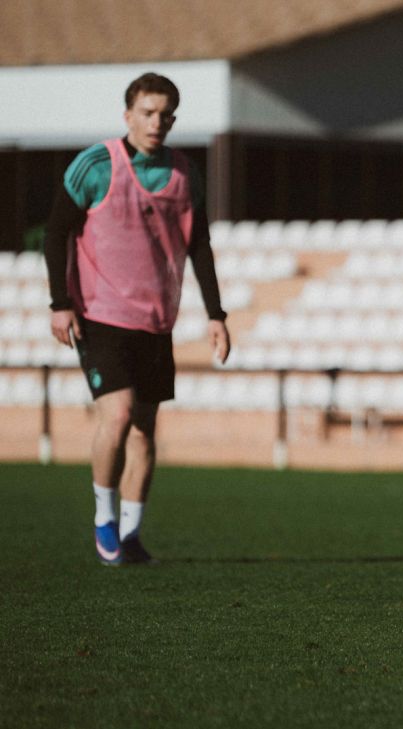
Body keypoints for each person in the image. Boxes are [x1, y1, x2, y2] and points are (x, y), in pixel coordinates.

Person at [42, 72, 230, 566]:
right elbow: (56, 230)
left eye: (166, 114)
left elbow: (200, 246)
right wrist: (59, 301)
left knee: (146, 428)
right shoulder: (96, 165)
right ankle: (103, 517)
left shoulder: (184, 174)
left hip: (156, 319)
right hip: (99, 313)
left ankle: (131, 535)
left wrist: (216, 314)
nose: (157, 122)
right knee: (119, 412)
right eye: (147, 112)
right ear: (128, 115)